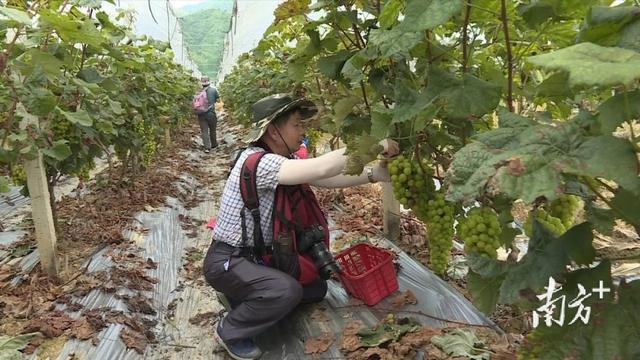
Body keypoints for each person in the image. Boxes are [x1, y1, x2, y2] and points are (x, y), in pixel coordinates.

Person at [202, 93, 399, 360]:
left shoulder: (278, 160)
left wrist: (374, 174)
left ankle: (243, 297)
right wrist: (376, 145)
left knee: (316, 289)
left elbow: (325, 179)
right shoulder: (260, 162)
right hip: (228, 260)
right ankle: (230, 329)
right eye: (296, 124)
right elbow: (319, 169)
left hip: (254, 258)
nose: (302, 131)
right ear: (273, 130)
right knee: (287, 291)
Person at [197, 76, 220, 153]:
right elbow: (218, 100)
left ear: (202, 83)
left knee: (204, 131)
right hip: (211, 113)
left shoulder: (198, 92)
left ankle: (207, 147)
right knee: (212, 130)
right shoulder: (213, 90)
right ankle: (214, 144)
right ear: (209, 82)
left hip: (201, 114)